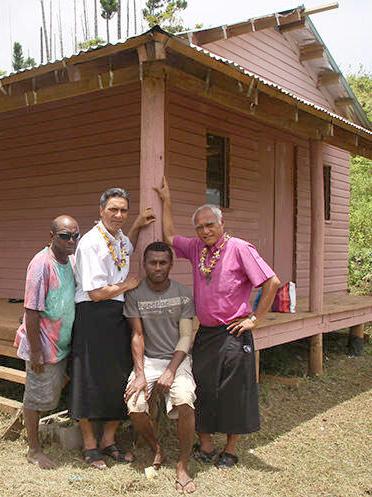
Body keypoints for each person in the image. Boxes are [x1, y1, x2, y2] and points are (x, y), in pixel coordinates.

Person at [154, 176, 281, 470]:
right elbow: (171, 236)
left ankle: (231, 448)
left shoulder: (239, 248)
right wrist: (167, 201)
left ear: (222, 224)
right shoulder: (198, 249)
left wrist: (255, 319)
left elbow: (271, 282)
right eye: (199, 226)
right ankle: (206, 443)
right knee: (205, 388)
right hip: (207, 333)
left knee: (234, 392)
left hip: (234, 332)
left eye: (210, 224)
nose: (205, 230)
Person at [69, 188, 155, 469]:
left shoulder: (117, 238)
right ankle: (90, 444)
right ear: (101, 211)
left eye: (123, 211)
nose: (118, 215)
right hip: (93, 314)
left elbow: (125, 247)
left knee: (118, 376)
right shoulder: (92, 242)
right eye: (113, 210)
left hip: (118, 312)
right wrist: (127, 286)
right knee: (88, 377)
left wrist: (138, 225)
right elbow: (94, 293)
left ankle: (108, 439)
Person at [124, 242, 198, 494]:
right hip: (149, 360)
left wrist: (171, 370)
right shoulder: (135, 294)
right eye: (152, 262)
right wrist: (141, 374)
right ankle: (156, 448)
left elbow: (186, 337)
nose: (157, 267)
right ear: (144, 264)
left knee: (185, 400)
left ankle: (183, 465)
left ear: (170, 264)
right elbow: (137, 334)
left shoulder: (183, 293)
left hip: (177, 358)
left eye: (163, 262)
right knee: (134, 405)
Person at [13, 215, 80, 469]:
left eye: (75, 235)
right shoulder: (41, 264)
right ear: (52, 237)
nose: (71, 240)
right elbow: (30, 311)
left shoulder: (72, 262)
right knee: (35, 398)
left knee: (53, 390)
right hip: (43, 343)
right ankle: (34, 449)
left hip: (63, 342)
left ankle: (38, 434)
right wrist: (37, 352)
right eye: (64, 236)